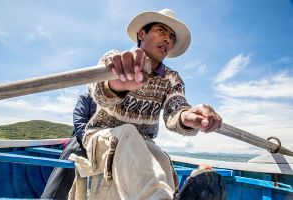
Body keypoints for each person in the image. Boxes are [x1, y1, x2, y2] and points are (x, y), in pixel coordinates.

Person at [69, 8, 226, 200]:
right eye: (161, 30)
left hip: (143, 141)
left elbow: (176, 110)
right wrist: (117, 84)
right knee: (127, 133)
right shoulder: (115, 59)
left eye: (172, 36)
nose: (168, 39)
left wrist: (188, 117)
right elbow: (99, 95)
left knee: (159, 157)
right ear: (141, 34)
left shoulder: (172, 79)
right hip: (102, 135)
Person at [41, 93, 97, 199]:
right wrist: (91, 143)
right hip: (85, 139)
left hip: (111, 142)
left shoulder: (123, 101)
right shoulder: (87, 97)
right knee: (73, 151)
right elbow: (79, 123)